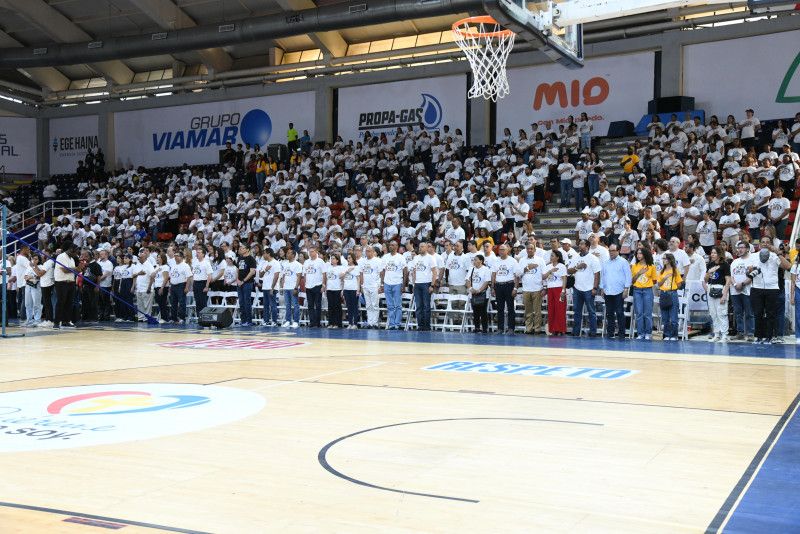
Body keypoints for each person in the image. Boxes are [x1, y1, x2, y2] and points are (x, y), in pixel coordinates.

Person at [748, 241, 789, 344]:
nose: (765, 244)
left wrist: (778, 253)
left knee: (771, 314)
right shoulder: (753, 256)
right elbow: (748, 271)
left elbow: (787, 266)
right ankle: (758, 336)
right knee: (757, 313)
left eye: (767, 242)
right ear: (759, 244)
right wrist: (750, 270)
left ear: (771, 244)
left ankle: (769, 337)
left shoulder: (775, 256)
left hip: (772, 288)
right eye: (763, 242)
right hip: (757, 287)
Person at [567, 239, 601, 337]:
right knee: (577, 311)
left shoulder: (593, 258)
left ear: (587, 246)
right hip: (577, 288)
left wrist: (595, 287)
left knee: (591, 311)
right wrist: (578, 267)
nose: (579, 245)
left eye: (582, 244)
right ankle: (576, 331)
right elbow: (569, 271)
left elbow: (597, 274)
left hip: (589, 288)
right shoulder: (575, 257)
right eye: (579, 243)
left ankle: (593, 331)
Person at [600, 244, 631, 339]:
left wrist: (626, 289)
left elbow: (628, 276)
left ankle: (621, 334)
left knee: (619, 312)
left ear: (618, 251)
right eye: (610, 250)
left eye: (613, 250)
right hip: (608, 291)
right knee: (609, 313)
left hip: (619, 291)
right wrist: (602, 288)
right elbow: (603, 276)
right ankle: (610, 333)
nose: (611, 252)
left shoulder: (623, 262)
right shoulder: (605, 262)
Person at [704, 246, 731, 343]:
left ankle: (724, 335)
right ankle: (717, 334)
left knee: (721, 313)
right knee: (713, 313)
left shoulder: (725, 265)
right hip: (711, 289)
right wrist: (709, 272)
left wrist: (724, 294)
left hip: (721, 288)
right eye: (711, 253)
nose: (712, 254)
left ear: (719, 254)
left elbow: (728, 280)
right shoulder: (710, 264)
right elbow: (706, 279)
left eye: (714, 253)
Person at [518, 243, 545, 335]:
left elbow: (544, 274)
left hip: (537, 288)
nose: (529, 250)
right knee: (528, 311)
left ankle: (537, 329)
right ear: (526, 250)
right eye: (528, 249)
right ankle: (529, 328)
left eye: (531, 249)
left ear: (535, 250)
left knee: (537, 311)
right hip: (526, 288)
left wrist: (544, 287)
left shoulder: (540, 260)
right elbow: (518, 274)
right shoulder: (522, 260)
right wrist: (527, 268)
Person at [729, 242, 755, 341]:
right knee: (738, 313)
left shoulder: (752, 260)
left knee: (749, 313)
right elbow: (731, 276)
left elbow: (753, 276)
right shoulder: (734, 262)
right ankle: (740, 332)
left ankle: (750, 333)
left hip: (748, 290)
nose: (739, 249)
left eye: (742, 247)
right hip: (735, 290)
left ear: (748, 249)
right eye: (738, 248)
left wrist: (743, 284)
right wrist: (735, 284)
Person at [631, 247, 657, 340]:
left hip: (647, 290)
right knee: (639, 313)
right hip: (637, 290)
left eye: (640, 253)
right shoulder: (634, 266)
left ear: (645, 254)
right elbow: (632, 281)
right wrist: (639, 273)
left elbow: (654, 281)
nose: (638, 255)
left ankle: (648, 333)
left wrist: (646, 283)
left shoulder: (652, 267)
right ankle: (640, 333)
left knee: (647, 313)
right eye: (637, 253)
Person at [410, 242, 437, 331]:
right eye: (419, 246)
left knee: (426, 306)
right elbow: (414, 271)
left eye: (422, 246)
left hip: (426, 283)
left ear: (426, 248)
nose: (420, 248)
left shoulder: (430, 258)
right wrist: (414, 284)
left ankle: (426, 326)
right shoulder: (416, 258)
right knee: (418, 306)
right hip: (417, 284)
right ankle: (420, 325)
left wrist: (432, 285)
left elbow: (434, 272)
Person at [492, 244, 518, 334]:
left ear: (507, 251)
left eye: (503, 249)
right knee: (500, 308)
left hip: (509, 285)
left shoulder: (513, 261)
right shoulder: (496, 261)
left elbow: (516, 276)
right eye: (500, 249)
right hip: (499, 285)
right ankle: (500, 328)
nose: (501, 251)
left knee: (510, 307)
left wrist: (515, 288)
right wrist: (492, 287)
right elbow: (493, 274)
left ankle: (511, 328)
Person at [381, 241, 407, 330]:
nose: (390, 246)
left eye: (393, 245)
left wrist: (404, 285)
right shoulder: (385, 257)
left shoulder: (401, 257)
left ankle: (398, 323)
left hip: (397, 283)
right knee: (390, 305)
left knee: (398, 305)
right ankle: (392, 323)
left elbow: (405, 271)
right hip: (387, 283)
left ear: (396, 246)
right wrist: (382, 283)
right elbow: (383, 271)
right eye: (390, 245)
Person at [658, 253, 682, 341]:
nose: (663, 260)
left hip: (672, 294)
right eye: (663, 258)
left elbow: (679, 284)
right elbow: (659, 284)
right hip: (663, 294)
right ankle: (667, 334)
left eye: (664, 258)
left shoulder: (675, 271)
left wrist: (672, 284)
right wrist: (665, 278)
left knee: (674, 317)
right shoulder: (662, 271)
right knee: (665, 317)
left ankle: (674, 335)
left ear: (669, 260)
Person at [53, 243, 77, 329]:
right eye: (75, 252)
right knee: (61, 302)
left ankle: (66, 321)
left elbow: (73, 271)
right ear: (70, 250)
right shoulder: (61, 256)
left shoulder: (72, 259)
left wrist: (79, 268)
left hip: (71, 282)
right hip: (62, 283)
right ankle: (56, 322)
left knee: (69, 303)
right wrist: (76, 269)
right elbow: (65, 270)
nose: (76, 254)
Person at [360, 246, 383, 328]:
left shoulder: (378, 261)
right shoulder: (362, 261)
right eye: (366, 251)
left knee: (375, 305)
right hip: (366, 286)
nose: (367, 253)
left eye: (369, 251)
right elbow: (361, 274)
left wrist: (380, 285)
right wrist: (362, 286)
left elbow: (381, 273)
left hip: (374, 286)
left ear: (373, 252)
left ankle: (375, 323)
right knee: (368, 305)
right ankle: (370, 323)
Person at [545, 251, 568, 336]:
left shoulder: (561, 266)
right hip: (550, 289)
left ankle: (561, 329)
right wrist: (550, 271)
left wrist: (563, 291)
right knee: (551, 309)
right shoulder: (548, 266)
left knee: (560, 309)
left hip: (558, 289)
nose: (551, 257)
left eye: (552, 256)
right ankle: (553, 329)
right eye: (550, 255)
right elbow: (543, 277)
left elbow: (564, 279)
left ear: (557, 257)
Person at [467, 254, 491, 333]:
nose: (474, 261)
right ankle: (477, 327)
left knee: (483, 311)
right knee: (475, 311)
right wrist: (471, 288)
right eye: (474, 260)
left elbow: (486, 281)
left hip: (483, 293)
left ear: (481, 261)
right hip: (473, 293)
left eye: (476, 259)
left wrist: (479, 290)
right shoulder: (471, 269)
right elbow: (468, 280)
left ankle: (484, 328)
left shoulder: (486, 269)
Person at [303, 247, 325, 328]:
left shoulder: (320, 261)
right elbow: (304, 274)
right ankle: (312, 322)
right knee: (310, 305)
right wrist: (305, 284)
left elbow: (324, 274)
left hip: (317, 285)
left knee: (318, 305)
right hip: (308, 286)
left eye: (312, 251)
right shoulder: (306, 262)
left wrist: (323, 285)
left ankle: (317, 323)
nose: (310, 253)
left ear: (316, 252)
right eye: (309, 252)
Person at [280, 249, 302, 328]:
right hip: (286, 287)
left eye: (289, 253)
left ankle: (296, 321)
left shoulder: (297, 264)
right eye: (287, 253)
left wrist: (296, 287)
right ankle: (288, 321)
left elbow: (299, 276)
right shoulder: (285, 264)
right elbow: (283, 275)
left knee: (295, 305)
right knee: (287, 305)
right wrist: (282, 286)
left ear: (293, 255)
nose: (287, 254)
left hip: (293, 287)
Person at [168, 251, 193, 324]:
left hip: (181, 285)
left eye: (177, 256)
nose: (175, 257)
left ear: (182, 257)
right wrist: (170, 286)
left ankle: (182, 318)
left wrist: (187, 287)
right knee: (173, 303)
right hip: (173, 285)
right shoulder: (173, 265)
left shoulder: (185, 265)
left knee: (182, 302)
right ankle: (173, 318)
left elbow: (189, 277)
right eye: (175, 256)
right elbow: (171, 276)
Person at [259, 249, 281, 326]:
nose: (263, 255)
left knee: (273, 305)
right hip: (265, 287)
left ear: (268, 254)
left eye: (264, 254)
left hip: (272, 287)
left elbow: (276, 276)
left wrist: (272, 287)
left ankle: (274, 321)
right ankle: (266, 320)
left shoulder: (276, 263)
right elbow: (260, 275)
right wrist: (265, 270)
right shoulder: (264, 263)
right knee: (265, 305)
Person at [131, 248, 154, 322]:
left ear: (144, 257)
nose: (139, 259)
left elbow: (152, 276)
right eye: (138, 257)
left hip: (146, 288)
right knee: (140, 305)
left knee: (147, 305)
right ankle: (140, 318)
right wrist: (138, 274)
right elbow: (133, 275)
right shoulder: (137, 264)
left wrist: (149, 287)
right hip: (139, 288)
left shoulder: (149, 265)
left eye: (140, 258)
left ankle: (146, 318)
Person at [324, 254, 344, 328]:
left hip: (337, 289)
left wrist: (342, 289)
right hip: (329, 288)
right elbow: (327, 279)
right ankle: (330, 323)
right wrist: (325, 288)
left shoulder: (341, 268)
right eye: (331, 258)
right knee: (330, 306)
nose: (332, 260)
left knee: (337, 306)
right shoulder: (328, 268)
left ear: (337, 260)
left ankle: (337, 323)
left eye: (333, 258)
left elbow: (342, 279)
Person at [342, 253, 361, 329]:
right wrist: (347, 271)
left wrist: (358, 289)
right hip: (346, 289)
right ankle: (350, 323)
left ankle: (355, 324)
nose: (348, 259)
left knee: (354, 307)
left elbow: (358, 279)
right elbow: (341, 277)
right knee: (349, 307)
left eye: (350, 258)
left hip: (353, 289)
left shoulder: (356, 267)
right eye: (348, 258)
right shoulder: (345, 267)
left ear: (353, 259)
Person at [23, 255, 43, 327]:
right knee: (27, 303)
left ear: (39, 260)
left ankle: (37, 320)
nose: (34, 260)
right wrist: (28, 277)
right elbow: (25, 276)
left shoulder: (40, 266)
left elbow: (39, 275)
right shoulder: (28, 267)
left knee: (36, 303)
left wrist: (32, 276)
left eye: (36, 259)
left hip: (36, 287)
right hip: (28, 285)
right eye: (33, 259)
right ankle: (29, 319)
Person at [191, 248, 213, 315]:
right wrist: (193, 284)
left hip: (203, 283)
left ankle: (204, 317)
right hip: (196, 283)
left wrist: (206, 286)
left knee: (203, 301)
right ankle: (199, 317)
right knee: (197, 301)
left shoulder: (206, 263)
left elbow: (209, 275)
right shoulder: (194, 262)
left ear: (203, 254)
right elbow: (193, 274)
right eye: (197, 252)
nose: (197, 254)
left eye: (199, 252)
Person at [151, 253, 170, 323]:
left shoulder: (165, 267)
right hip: (156, 286)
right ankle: (163, 317)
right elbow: (152, 275)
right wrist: (157, 270)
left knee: (162, 302)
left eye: (159, 257)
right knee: (159, 302)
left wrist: (162, 288)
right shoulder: (157, 267)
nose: (157, 258)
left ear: (162, 259)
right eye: (157, 257)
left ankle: (164, 318)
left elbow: (166, 278)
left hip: (162, 287)